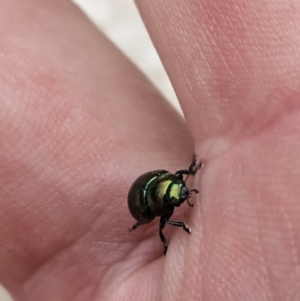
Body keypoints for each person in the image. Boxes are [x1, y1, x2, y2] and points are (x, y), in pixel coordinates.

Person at [1, 0, 299, 300]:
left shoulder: (169, 181)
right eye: (177, 193)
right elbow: (163, 222)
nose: (182, 193)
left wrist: (189, 174)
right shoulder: (161, 211)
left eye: (178, 190)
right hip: (141, 201)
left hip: (151, 186)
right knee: (159, 228)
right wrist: (174, 224)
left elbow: (174, 178)